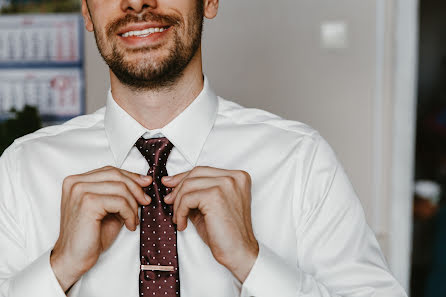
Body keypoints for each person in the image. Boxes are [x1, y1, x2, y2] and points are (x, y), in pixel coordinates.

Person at [0, 0, 407, 296]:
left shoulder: (300, 159)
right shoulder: (23, 167)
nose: (137, 3)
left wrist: (253, 262)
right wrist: (58, 268)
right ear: (88, 12)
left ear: (209, 1)